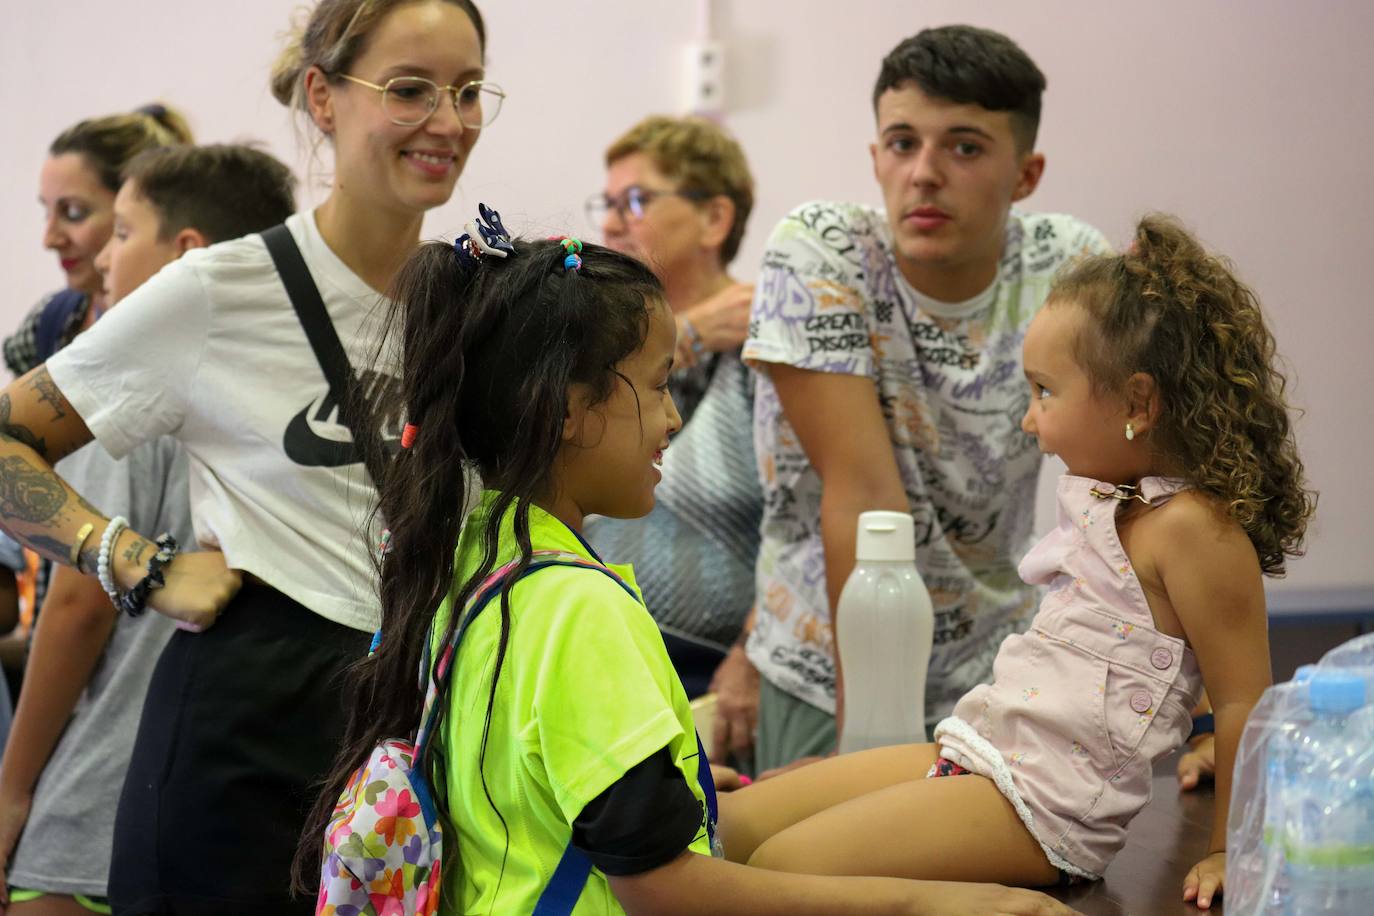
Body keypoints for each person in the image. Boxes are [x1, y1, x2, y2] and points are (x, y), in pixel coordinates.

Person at [303, 223, 1080, 916]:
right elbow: (662, 888)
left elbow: (536, 773)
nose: (674, 417)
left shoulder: (476, 550)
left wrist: (671, 778)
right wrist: (927, 903)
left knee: (921, 764)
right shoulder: (575, 608)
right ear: (569, 410)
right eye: (657, 385)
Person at [0, 1, 498, 911]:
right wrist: (132, 562)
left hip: (414, 741)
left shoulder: (476, 306)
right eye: (410, 89)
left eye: (467, 92)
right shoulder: (220, 290)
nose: (449, 121)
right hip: (242, 743)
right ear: (323, 96)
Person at [720, 215, 1314, 911]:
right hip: (979, 751)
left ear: (1138, 403)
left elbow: (1246, 698)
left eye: (1044, 391)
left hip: (1045, 809)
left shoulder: (1194, 530)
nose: (1029, 421)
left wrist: (1229, 850)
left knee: (783, 866)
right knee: (731, 829)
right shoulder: (1109, 501)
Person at [743, 25, 1111, 774]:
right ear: (874, 157)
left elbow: (1125, 490)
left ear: (1026, 174)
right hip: (833, 672)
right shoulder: (824, 249)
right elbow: (864, 499)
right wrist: (867, 748)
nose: (924, 173)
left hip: (999, 672)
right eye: (902, 142)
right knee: (833, 879)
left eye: (965, 147)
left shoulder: (1068, 266)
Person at [0, 143, 297, 916]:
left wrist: (11, 789)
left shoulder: (136, 385)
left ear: (187, 255)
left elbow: (76, 608)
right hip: (250, 807)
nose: (101, 259)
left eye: (120, 233)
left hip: (105, 805)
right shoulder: (297, 383)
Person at [584, 116, 763, 723]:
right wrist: (686, 334)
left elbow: (809, 524)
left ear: (715, 218)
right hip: (601, 649)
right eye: (606, 203)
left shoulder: (770, 350)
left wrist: (755, 654)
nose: (609, 223)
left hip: (721, 675)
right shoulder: (595, 353)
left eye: (634, 201)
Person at [8, 106, 193, 377]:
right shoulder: (50, 321)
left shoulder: (189, 336)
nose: (49, 240)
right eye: (47, 212)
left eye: (73, 212)